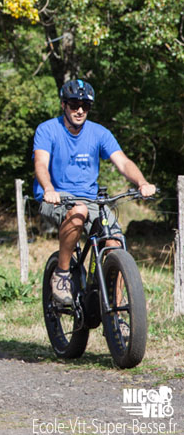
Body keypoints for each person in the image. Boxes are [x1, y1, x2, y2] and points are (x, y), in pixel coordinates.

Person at [33, 79, 156, 305]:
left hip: (91, 200)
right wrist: (48, 189)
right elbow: (41, 164)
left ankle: (115, 312)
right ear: (64, 105)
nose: (80, 110)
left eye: (85, 106)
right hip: (57, 198)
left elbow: (123, 163)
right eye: (74, 104)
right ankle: (61, 274)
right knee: (78, 212)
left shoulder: (99, 133)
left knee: (115, 243)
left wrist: (141, 182)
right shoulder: (47, 130)